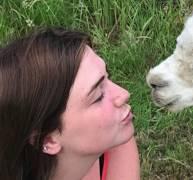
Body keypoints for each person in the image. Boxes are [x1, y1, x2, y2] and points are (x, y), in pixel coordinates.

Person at [0, 27, 140, 180]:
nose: (124, 94)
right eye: (99, 96)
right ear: (48, 139)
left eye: (107, 77)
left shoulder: (116, 140)